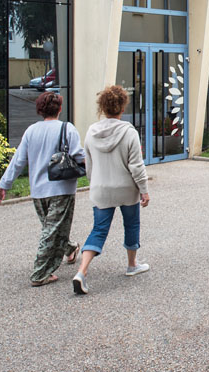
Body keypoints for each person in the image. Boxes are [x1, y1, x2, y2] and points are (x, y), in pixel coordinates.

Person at [0, 91, 84, 287]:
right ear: (60, 108)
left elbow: (18, 161)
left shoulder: (31, 131)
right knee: (51, 230)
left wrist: (4, 185)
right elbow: (79, 155)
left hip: (38, 190)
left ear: (40, 110)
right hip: (62, 188)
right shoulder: (67, 128)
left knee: (50, 228)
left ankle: (68, 250)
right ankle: (40, 273)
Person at [73, 85, 150, 295]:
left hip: (101, 189)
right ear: (122, 107)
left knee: (98, 230)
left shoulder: (91, 132)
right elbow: (136, 165)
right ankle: (132, 265)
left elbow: (88, 164)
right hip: (126, 189)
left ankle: (82, 271)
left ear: (102, 108)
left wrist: (94, 182)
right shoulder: (129, 132)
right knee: (131, 224)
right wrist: (144, 190)